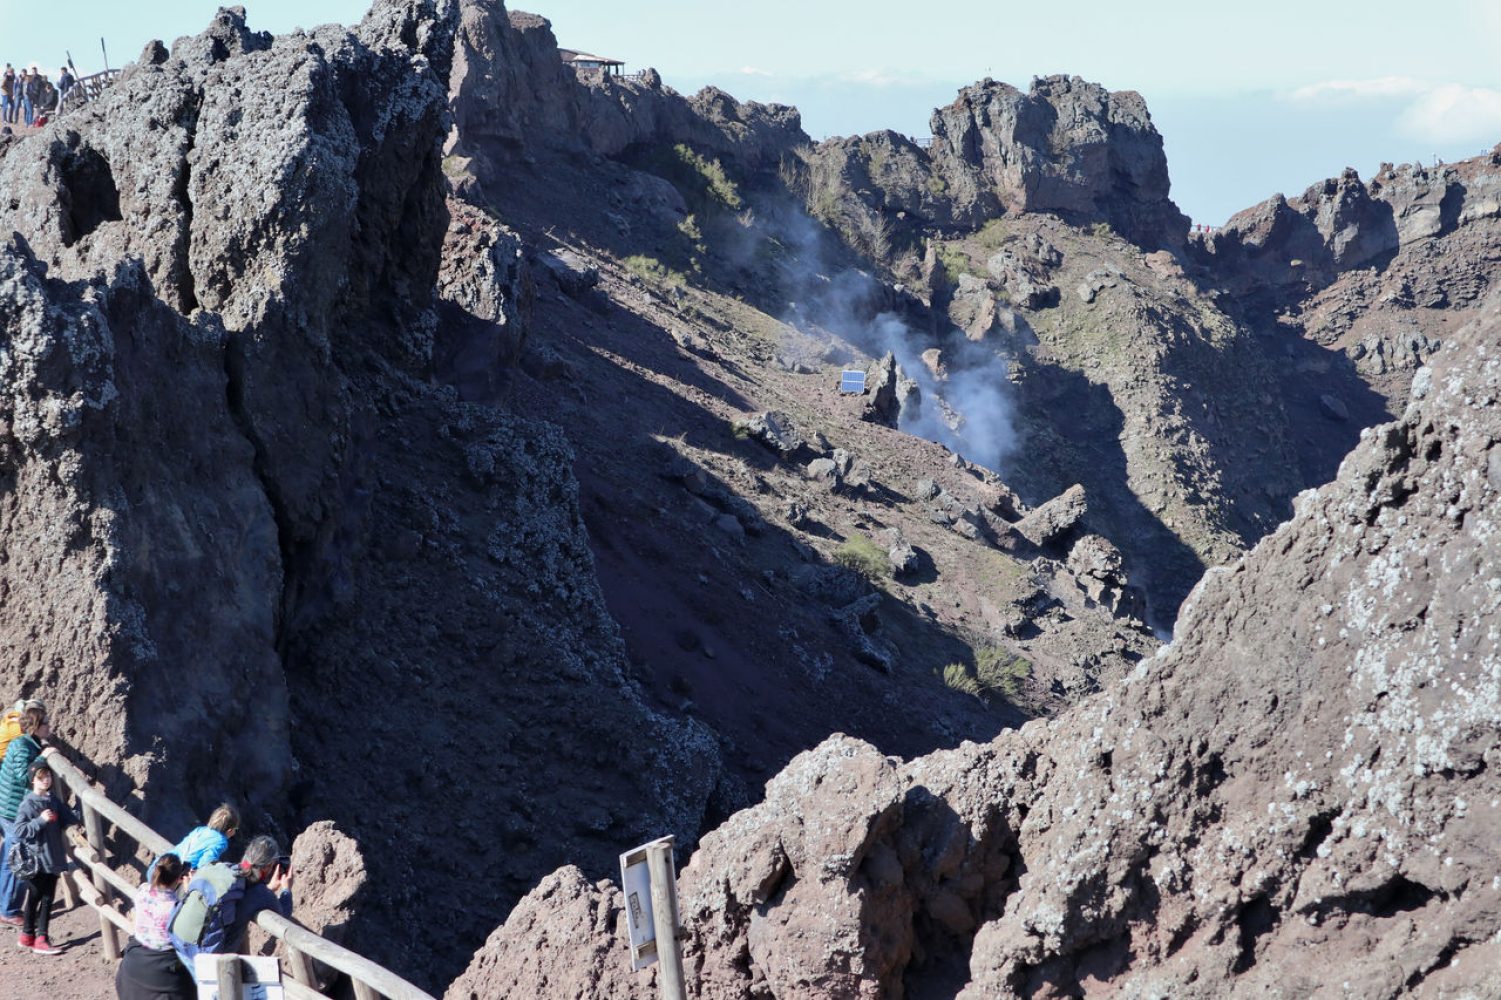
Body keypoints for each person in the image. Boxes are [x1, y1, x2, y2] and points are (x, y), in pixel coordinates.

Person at [169, 834, 292, 968]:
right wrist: (286, 889)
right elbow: (283, 914)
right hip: (208, 960)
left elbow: (246, 891)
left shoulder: (225, 869)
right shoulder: (260, 893)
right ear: (268, 867)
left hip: (178, 942)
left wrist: (268, 889)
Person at [11, 758, 76, 954]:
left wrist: (77, 820)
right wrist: (40, 821)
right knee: (40, 897)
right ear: (33, 780)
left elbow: (67, 817)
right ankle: (40, 939)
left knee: (42, 897)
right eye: (41, 778)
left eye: (47, 776)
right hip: (37, 860)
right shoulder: (28, 805)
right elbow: (20, 830)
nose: (45, 780)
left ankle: (29, 936)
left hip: (54, 858)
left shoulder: (53, 800)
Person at [116, 854, 194, 1000]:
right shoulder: (176, 907)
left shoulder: (143, 891)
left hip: (133, 962)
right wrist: (189, 891)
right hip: (165, 970)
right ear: (179, 879)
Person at [0, 704, 49, 925]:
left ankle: (4, 904)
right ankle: (9, 910)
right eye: (46, 723)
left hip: (8, 808)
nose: (50, 726)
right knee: (18, 859)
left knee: (9, 855)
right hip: (14, 811)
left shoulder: (25, 742)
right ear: (37, 726)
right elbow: (23, 777)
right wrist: (43, 759)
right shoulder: (22, 746)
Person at [170, 804, 239, 870]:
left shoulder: (199, 830)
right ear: (230, 830)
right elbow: (205, 862)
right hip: (179, 871)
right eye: (236, 829)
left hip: (168, 860)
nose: (235, 832)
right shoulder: (221, 841)